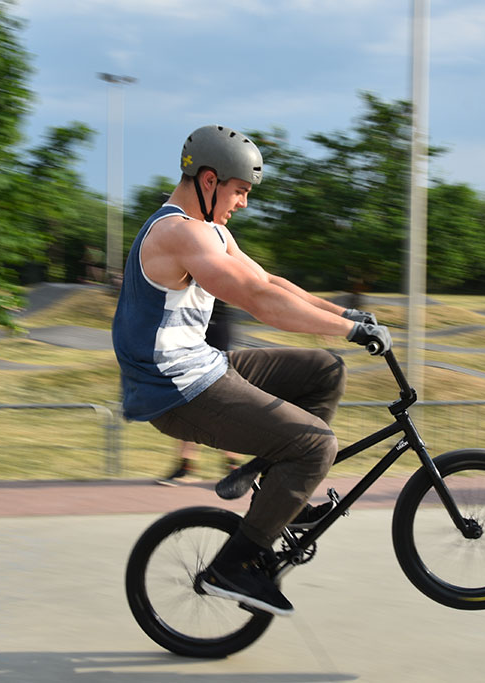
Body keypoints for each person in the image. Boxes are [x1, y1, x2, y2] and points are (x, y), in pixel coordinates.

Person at [111, 124, 391, 616]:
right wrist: (349, 331)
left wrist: (345, 314)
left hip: (202, 365)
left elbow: (267, 280)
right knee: (316, 445)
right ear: (209, 180)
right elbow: (260, 302)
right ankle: (233, 567)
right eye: (240, 191)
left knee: (323, 371)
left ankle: (278, 486)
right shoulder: (177, 233)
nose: (243, 203)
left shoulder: (212, 231)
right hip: (173, 390)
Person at [157, 299, 242, 485]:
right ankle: (186, 467)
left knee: (221, 399)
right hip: (186, 325)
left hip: (214, 324)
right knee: (187, 399)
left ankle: (233, 467)